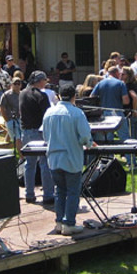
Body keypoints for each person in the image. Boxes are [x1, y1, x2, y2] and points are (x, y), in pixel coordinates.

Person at [42, 85, 94, 236]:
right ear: (74, 97)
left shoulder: (49, 112)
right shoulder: (77, 113)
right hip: (71, 158)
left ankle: (59, 222)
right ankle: (69, 223)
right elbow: (85, 136)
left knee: (59, 191)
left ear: (58, 96)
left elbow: (45, 136)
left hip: (53, 158)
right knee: (72, 192)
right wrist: (89, 144)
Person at [20, 71, 52, 204]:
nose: (46, 83)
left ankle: (29, 194)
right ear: (39, 81)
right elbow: (48, 114)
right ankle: (48, 195)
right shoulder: (42, 96)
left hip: (26, 131)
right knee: (45, 164)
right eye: (45, 80)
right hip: (39, 131)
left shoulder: (22, 93)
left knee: (29, 164)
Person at [91, 65, 130, 144]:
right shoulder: (120, 84)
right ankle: (129, 156)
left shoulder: (100, 83)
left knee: (107, 139)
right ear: (116, 73)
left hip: (103, 113)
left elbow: (91, 97)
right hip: (117, 112)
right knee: (124, 137)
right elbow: (126, 101)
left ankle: (109, 156)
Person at [121, 66, 137, 168]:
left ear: (128, 75)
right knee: (135, 138)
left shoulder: (129, 86)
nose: (121, 75)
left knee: (132, 140)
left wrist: (134, 110)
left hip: (133, 115)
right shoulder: (135, 84)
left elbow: (135, 97)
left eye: (123, 74)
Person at [0, 77, 23, 155]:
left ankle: (22, 156)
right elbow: (2, 108)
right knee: (17, 139)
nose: (17, 85)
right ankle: (21, 156)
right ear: (11, 84)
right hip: (11, 120)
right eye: (15, 83)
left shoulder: (22, 94)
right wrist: (7, 120)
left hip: (21, 120)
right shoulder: (6, 95)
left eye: (18, 84)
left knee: (22, 138)